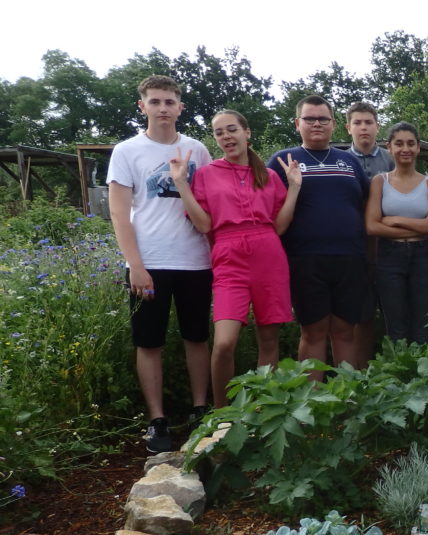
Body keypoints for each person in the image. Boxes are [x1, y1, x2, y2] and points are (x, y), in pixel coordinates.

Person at [107, 75, 212, 453]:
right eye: (155, 102)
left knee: (197, 337)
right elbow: (120, 215)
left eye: (170, 102)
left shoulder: (197, 150)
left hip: (196, 260)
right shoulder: (127, 151)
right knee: (149, 342)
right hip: (149, 262)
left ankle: (201, 410)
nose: (163, 108)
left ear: (180, 107)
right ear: (143, 106)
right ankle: (157, 421)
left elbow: (209, 201)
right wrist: (135, 265)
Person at [169, 109, 301, 407]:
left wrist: (294, 187)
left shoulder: (267, 176)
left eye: (232, 130)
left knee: (268, 340)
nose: (226, 137)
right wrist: (181, 183)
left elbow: (279, 226)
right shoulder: (206, 174)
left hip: (268, 254)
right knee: (224, 342)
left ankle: (265, 408)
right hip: (229, 256)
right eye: (219, 133)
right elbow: (203, 225)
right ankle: (222, 414)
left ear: (246, 132)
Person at [269, 95, 370, 376]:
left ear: (334, 124)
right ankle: (313, 405)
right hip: (304, 260)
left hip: (350, 258)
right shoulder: (281, 161)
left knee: (344, 331)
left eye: (323, 119)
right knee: (313, 332)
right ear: (297, 123)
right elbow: (270, 212)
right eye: (309, 119)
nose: (316, 124)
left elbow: (365, 204)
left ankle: (347, 407)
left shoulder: (349, 161)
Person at [365, 122, 428, 343]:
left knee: (422, 324)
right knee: (395, 324)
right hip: (389, 256)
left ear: (418, 147)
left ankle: (423, 375)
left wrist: (395, 220)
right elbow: (372, 226)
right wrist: (421, 224)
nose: (405, 149)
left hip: (422, 256)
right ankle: (397, 374)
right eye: (399, 144)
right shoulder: (380, 182)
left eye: (411, 143)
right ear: (389, 147)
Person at [345, 102, 395, 364]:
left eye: (368, 122)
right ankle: (359, 374)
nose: (363, 127)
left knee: (393, 311)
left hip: (389, 246)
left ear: (377, 126)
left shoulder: (391, 160)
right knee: (360, 315)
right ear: (348, 128)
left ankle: (393, 369)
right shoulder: (341, 161)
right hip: (354, 249)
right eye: (357, 123)